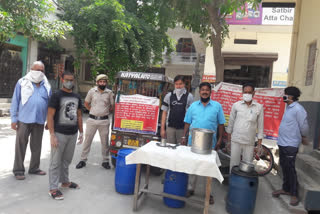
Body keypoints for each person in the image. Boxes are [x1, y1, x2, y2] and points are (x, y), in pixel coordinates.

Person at [182, 82, 226, 204]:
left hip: (210, 144)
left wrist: (219, 139)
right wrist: (183, 136)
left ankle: (208, 193)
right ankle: (190, 189)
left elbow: (221, 124)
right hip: (193, 142)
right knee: (193, 166)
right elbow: (187, 122)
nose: (205, 92)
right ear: (199, 92)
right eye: (202, 90)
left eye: (207, 90)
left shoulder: (217, 106)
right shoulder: (193, 106)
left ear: (210, 92)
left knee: (209, 168)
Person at [10, 61, 51, 180]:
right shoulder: (22, 82)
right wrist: (14, 119)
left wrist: (49, 120)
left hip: (39, 120)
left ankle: (34, 168)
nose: (39, 72)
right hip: (24, 119)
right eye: (37, 70)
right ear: (31, 69)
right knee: (20, 145)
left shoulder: (46, 85)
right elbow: (15, 101)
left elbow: (49, 104)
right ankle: (18, 170)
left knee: (37, 146)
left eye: (42, 70)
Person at [47, 71, 83, 200]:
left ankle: (65, 182)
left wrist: (81, 132)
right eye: (67, 80)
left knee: (66, 160)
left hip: (72, 134)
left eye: (71, 80)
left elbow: (79, 115)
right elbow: (50, 115)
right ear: (62, 80)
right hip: (59, 133)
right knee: (55, 162)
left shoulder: (77, 97)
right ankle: (53, 188)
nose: (69, 82)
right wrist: (52, 134)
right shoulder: (56, 95)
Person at [272, 86, 309, 206]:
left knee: (290, 169)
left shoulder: (298, 109)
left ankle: (294, 193)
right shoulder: (288, 107)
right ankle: (286, 188)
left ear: (291, 96)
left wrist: (303, 136)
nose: (284, 95)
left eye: (285, 94)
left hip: (291, 144)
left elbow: (303, 125)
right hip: (283, 143)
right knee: (284, 166)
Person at [76, 74, 114, 169]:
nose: (102, 83)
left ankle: (105, 161)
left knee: (105, 142)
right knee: (87, 140)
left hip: (104, 121)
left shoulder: (109, 93)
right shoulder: (92, 91)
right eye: (100, 82)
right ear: (97, 83)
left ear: (106, 83)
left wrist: (104, 112)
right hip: (92, 120)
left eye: (104, 82)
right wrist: (92, 111)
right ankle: (83, 160)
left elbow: (112, 106)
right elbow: (86, 103)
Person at [226, 83, 264, 172]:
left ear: (253, 93)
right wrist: (228, 142)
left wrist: (259, 145)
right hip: (236, 141)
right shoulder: (236, 105)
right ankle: (233, 183)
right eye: (245, 92)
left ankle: (243, 185)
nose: (247, 94)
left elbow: (261, 127)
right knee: (233, 165)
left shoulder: (258, 107)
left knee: (247, 167)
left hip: (249, 142)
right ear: (242, 92)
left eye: (249, 92)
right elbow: (230, 124)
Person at [160, 75, 193, 144]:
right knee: (169, 148)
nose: (178, 86)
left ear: (184, 84)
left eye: (180, 84)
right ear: (174, 84)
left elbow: (191, 115)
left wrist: (186, 132)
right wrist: (162, 129)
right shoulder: (169, 96)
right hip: (170, 128)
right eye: (176, 84)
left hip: (183, 129)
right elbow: (164, 112)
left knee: (181, 150)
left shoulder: (189, 96)